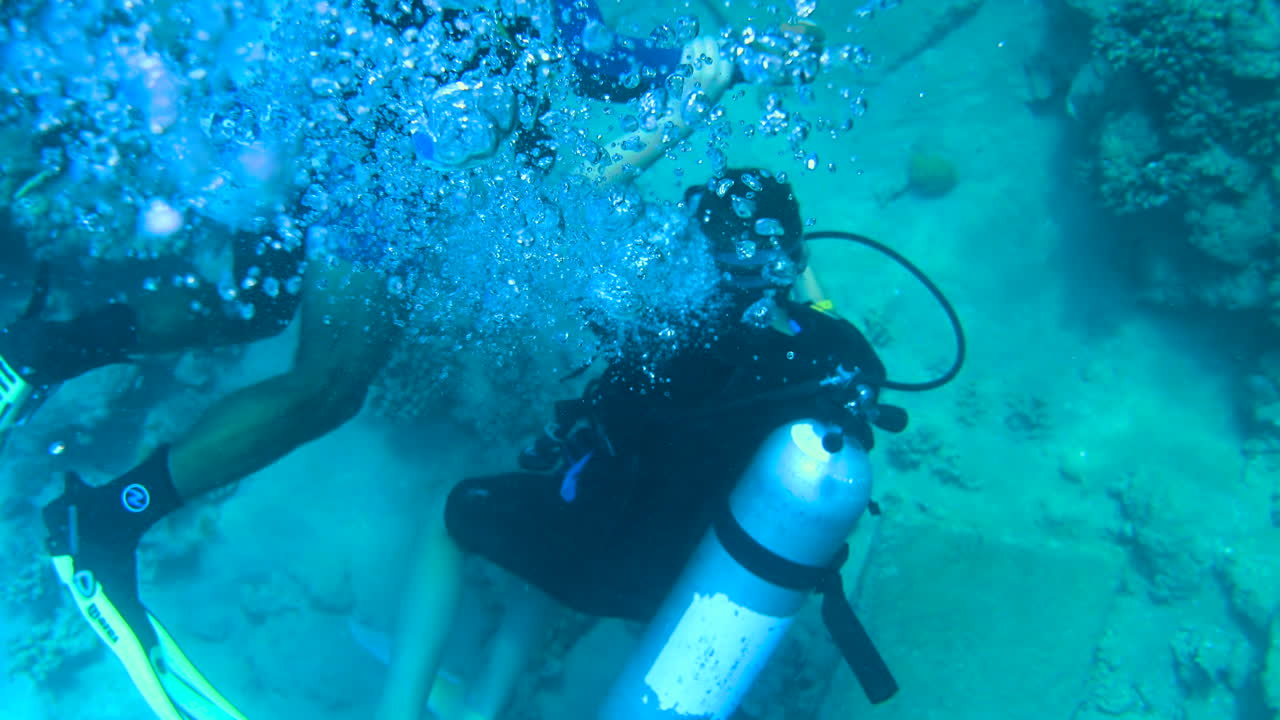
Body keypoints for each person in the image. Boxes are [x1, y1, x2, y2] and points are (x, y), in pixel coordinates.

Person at [0, 2, 744, 718]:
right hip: (368, 141)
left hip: (293, 85)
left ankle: (38, 352)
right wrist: (702, 67)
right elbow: (598, 64)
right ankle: (102, 522)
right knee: (329, 384)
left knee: (256, 299)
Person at [374, 167, 897, 720]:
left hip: (596, 559)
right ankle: (485, 702)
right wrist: (793, 265)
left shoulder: (663, 329)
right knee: (564, 518)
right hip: (696, 592)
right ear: (792, 254)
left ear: (701, 254)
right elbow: (826, 325)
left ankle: (398, 712)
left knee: (457, 517)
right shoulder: (839, 363)